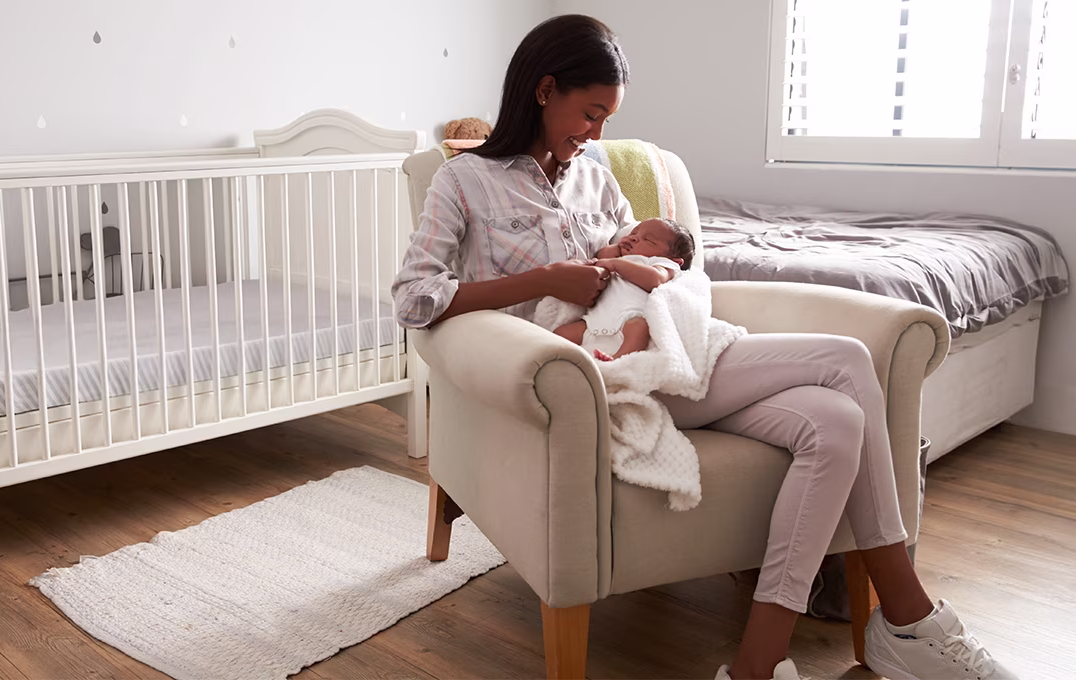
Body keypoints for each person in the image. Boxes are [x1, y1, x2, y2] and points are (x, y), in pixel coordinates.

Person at [391, 14, 1020, 680]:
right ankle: (908, 614)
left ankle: (756, 664)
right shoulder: (464, 182)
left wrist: (645, 271)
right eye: (590, 113)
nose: (597, 134)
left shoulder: (596, 180)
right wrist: (545, 279)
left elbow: (666, 271)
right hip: (594, 381)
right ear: (545, 90)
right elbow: (414, 297)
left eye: (607, 119)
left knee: (836, 422)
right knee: (847, 360)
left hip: (667, 359)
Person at [551, 217, 695, 361]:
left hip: (629, 320)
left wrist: (616, 264)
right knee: (560, 333)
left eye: (648, 240)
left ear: (675, 260)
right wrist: (617, 248)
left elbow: (656, 279)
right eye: (633, 234)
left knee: (640, 327)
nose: (633, 239)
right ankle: (557, 359)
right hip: (593, 322)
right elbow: (602, 255)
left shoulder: (660, 264)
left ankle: (618, 359)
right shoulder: (621, 257)